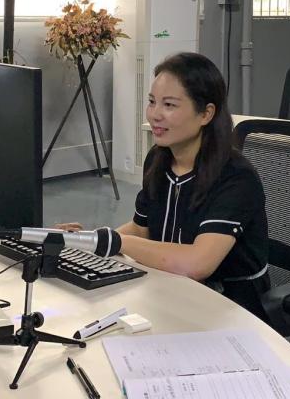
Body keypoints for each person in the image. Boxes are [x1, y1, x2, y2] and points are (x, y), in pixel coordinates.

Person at [59, 52, 269, 316]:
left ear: (206, 114)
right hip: (169, 292)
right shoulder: (159, 160)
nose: (155, 114)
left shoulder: (236, 177)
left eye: (169, 105)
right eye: (152, 102)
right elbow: (141, 228)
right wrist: (90, 241)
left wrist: (115, 242)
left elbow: (197, 264)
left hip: (230, 309)